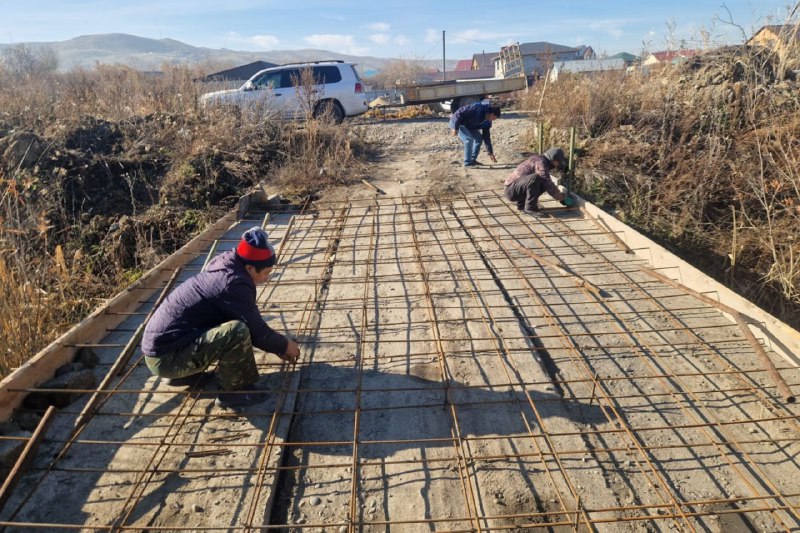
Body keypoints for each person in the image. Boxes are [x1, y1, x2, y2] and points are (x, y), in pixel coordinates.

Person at [142, 226, 301, 409]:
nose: (266, 279)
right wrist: (284, 345)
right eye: (265, 273)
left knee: (226, 316)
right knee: (237, 331)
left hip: (163, 350)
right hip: (167, 359)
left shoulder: (226, 261)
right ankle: (234, 392)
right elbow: (257, 331)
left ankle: (187, 374)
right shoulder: (233, 284)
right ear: (249, 267)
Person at [504, 147, 570, 214]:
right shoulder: (541, 162)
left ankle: (522, 205)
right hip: (511, 191)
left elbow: (546, 184)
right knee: (536, 178)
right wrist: (560, 197)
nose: (558, 165)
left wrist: (559, 196)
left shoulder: (540, 160)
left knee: (542, 183)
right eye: (558, 162)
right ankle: (530, 209)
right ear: (553, 159)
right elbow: (546, 181)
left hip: (516, 189)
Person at [449, 101, 501, 167]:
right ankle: (467, 163)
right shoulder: (478, 108)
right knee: (468, 140)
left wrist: (490, 152)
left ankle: (472, 160)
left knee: (479, 139)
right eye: (495, 118)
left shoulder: (487, 122)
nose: (494, 120)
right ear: (492, 114)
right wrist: (455, 128)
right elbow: (459, 113)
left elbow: (486, 137)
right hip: (458, 123)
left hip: (468, 126)